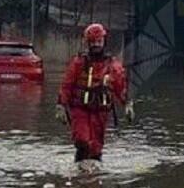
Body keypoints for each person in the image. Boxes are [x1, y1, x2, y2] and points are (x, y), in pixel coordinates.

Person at [55, 23, 135, 172]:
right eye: (93, 42)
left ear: (104, 42)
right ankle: (79, 173)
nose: (96, 45)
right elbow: (67, 85)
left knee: (96, 148)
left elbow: (120, 87)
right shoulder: (79, 63)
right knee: (82, 140)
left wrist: (128, 104)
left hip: (100, 112)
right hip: (80, 109)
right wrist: (61, 105)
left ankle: (94, 182)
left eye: (99, 41)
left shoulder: (112, 65)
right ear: (88, 43)